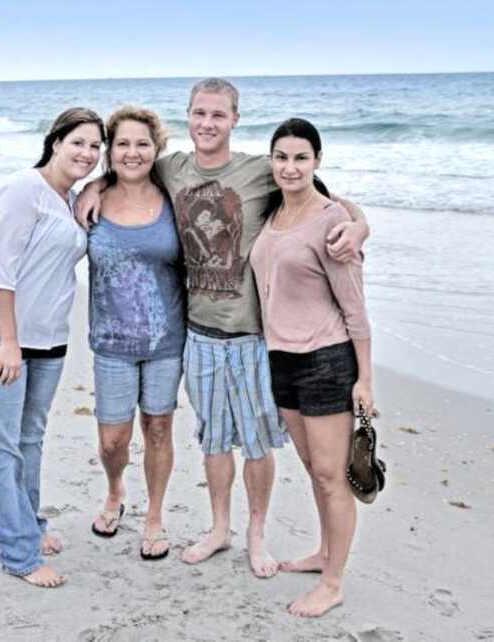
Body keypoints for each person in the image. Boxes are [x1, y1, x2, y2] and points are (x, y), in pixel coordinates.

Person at [76, 79, 369, 579]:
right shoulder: (172, 167)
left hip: (255, 338)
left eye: (218, 115)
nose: (207, 124)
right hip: (199, 334)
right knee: (213, 440)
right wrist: (94, 184)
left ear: (234, 119)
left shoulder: (261, 170)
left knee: (255, 442)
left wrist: (360, 225)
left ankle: (256, 533)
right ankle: (219, 528)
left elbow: (326, 201)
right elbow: (128, 168)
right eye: (199, 114)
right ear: (187, 118)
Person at [0, 107, 105, 588]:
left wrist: (98, 187)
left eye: (95, 146)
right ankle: (19, 554)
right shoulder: (22, 189)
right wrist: (8, 341)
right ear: (55, 141)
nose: (86, 153)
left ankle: (31, 524)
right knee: (1, 447)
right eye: (78, 142)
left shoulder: (69, 198)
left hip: (50, 340)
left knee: (30, 440)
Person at [250, 117, 374, 617]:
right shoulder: (272, 211)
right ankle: (325, 553)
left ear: (317, 161)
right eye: (282, 157)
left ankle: (334, 580)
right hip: (281, 359)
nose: (290, 166)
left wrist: (365, 379)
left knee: (331, 476)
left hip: (326, 359)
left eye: (301, 157)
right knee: (313, 469)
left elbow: (356, 308)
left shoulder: (332, 221)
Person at [86, 106, 185, 561]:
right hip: (111, 343)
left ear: (157, 148)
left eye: (142, 143)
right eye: (122, 143)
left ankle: (155, 515)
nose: (132, 152)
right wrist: (95, 182)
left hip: (166, 341)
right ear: (110, 150)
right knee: (113, 441)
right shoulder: (88, 202)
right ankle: (115, 489)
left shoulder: (174, 196)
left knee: (159, 428)